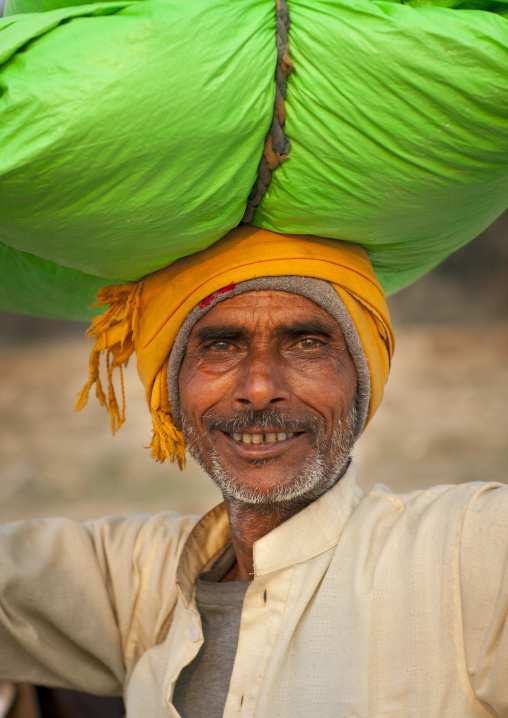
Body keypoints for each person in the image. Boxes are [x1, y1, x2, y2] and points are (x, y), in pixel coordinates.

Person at [0, 226, 507, 717]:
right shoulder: (144, 585)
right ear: (174, 394)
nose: (260, 386)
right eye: (221, 346)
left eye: (306, 343)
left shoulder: (463, 554)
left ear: (361, 377)